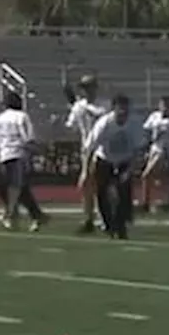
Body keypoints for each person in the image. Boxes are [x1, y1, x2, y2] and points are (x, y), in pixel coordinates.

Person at [82, 93, 148, 240]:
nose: (123, 114)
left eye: (125, 110)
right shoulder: (104, 123)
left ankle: (121, 226)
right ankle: (109, 224)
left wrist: (130, 170)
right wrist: (85, 171)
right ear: (114, 109)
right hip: (105, 159)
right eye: (120, 110)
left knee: (123, 194)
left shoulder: (134, 124)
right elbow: (90, 147)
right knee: (102, 193)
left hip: (125, 160)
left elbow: (139, 150)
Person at [0, 90, 48, 231]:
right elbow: (28, 137)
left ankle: (13, 213)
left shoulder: (0, 118)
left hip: (7, 154)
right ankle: (33, 214)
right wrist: (35, 150)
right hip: (17, 154)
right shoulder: (21, 116)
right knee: (18, 187)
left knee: (11, 187)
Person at [65, 74, 108, 234]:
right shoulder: (79, 106)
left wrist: (81, 108)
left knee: (99, 185)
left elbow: (101, 117)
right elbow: (72, 126)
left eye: (89, 87)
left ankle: (104, 218)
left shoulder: (103, 105)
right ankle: (88, 218)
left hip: (101, 149)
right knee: (87, 186)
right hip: (86, 148)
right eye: (84, 87)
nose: (87, 91)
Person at [139, 95, 169, 214]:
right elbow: (146, 131)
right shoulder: (154, 116)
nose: (165, 108)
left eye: (167, 105)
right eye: (163, 105)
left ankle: (145, 202)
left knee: (146, 175)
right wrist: (146, 147)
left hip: (163, 151)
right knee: (160, 178)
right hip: (154, 149)